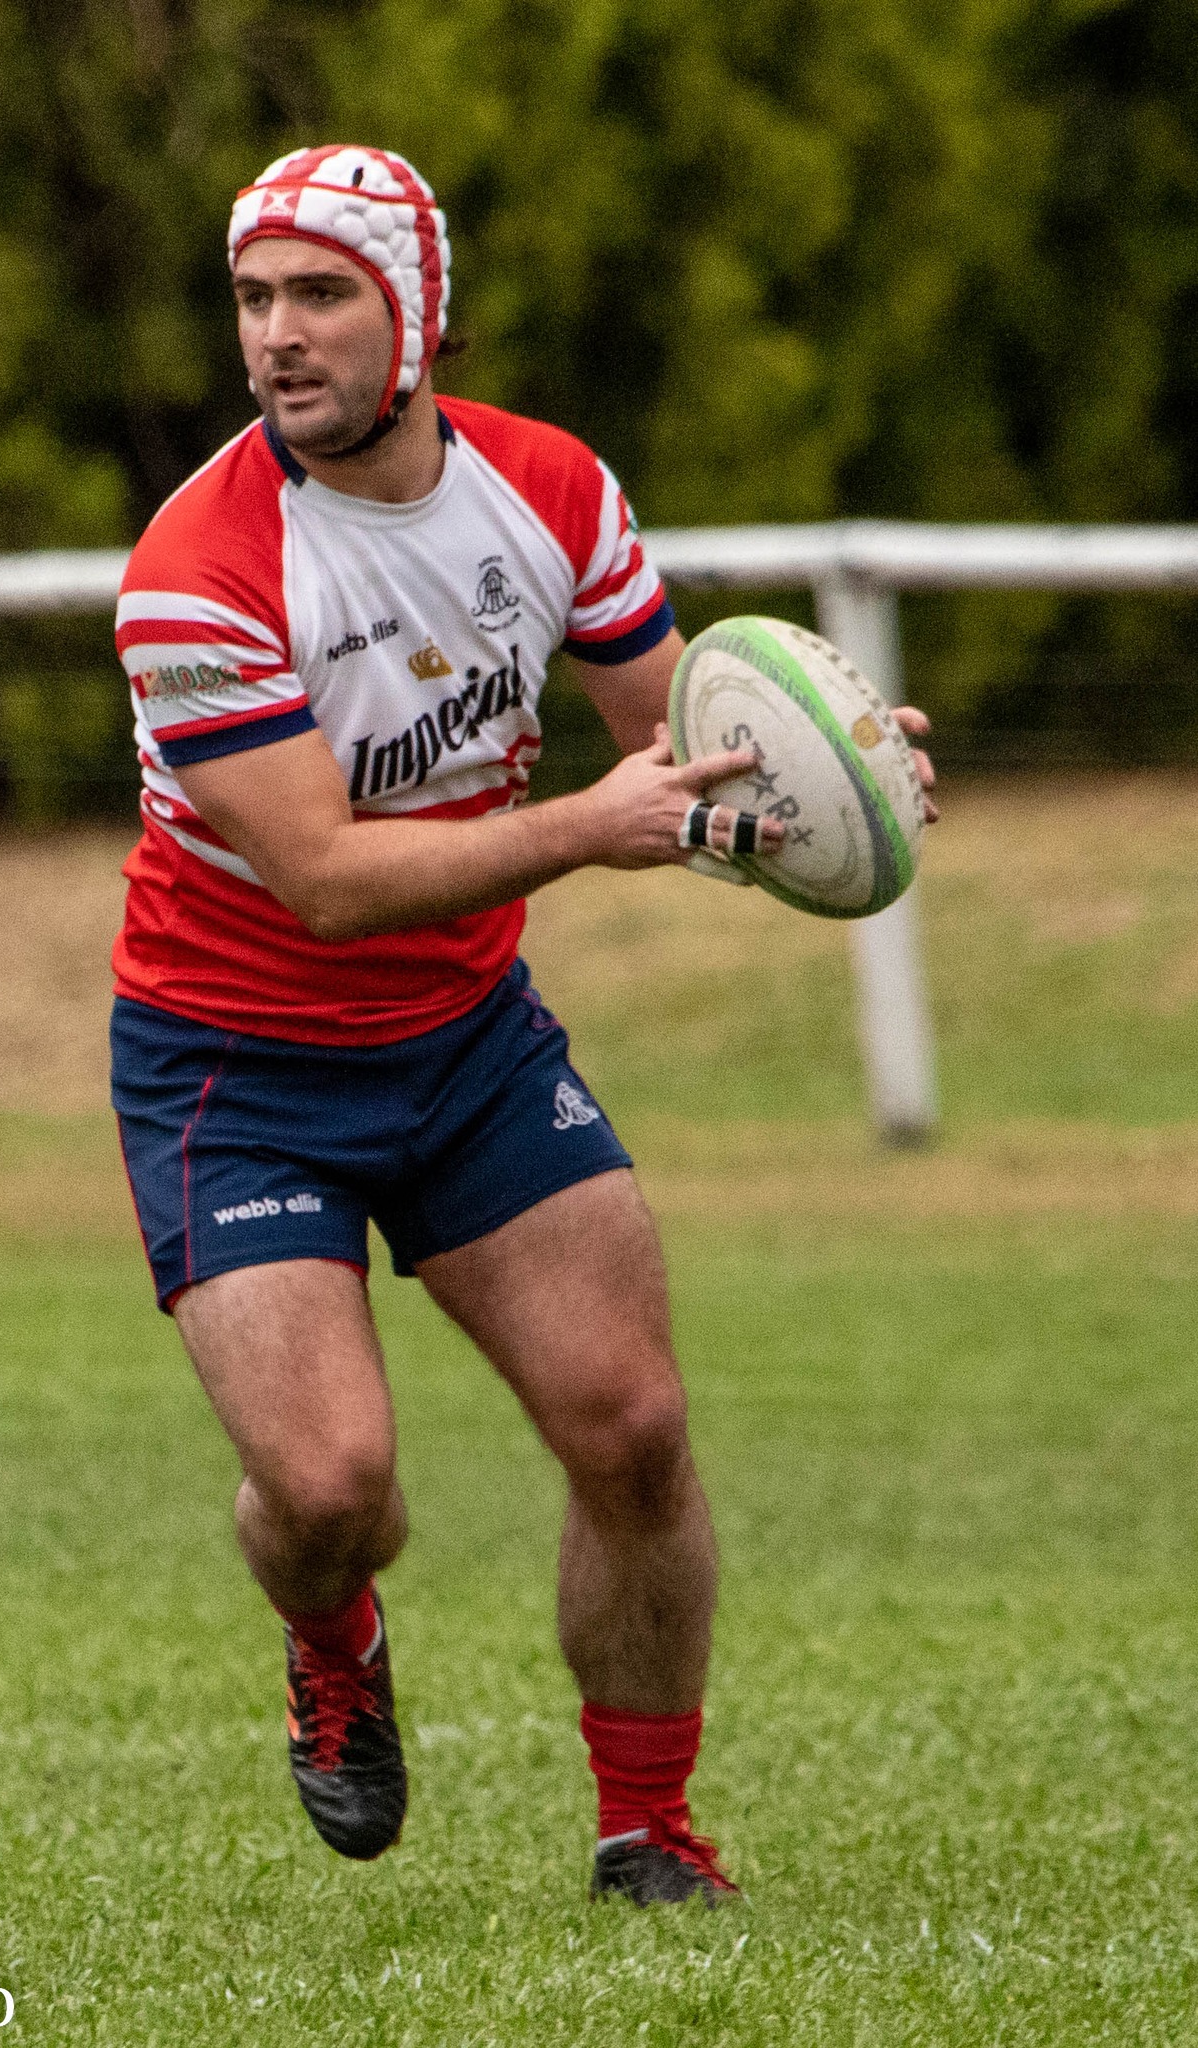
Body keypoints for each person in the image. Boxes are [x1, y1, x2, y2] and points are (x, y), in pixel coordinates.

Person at [109, 145, 936, 1905]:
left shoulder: (549, 489)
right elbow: (327, 879)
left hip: (470, 1042)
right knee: (333, 1489)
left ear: (416, 314)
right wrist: (595, 825)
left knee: (630, 1422)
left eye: (321, 293)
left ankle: (649, 1833)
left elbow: (680, 740)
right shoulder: (197, 568)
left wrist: (827, 770)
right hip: (234, 1073)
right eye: (254, 299)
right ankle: (334, 1643)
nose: (277, 335)